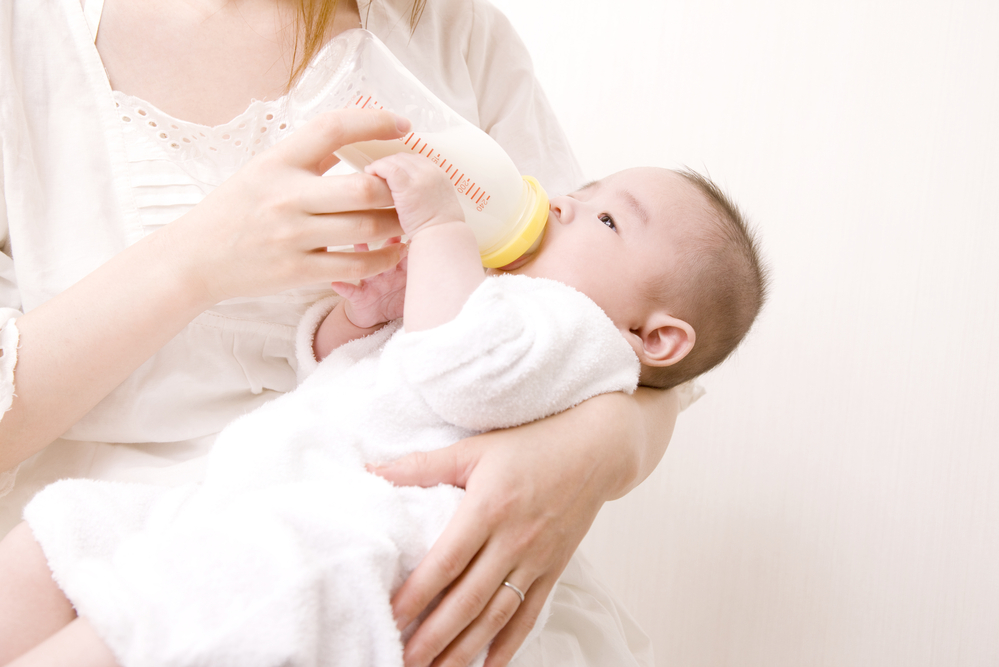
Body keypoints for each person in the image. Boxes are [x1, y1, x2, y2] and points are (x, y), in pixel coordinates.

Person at [0, 1, 686, 665]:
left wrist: (592, 453)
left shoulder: (452, 33)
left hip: (387, 553)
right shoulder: (24, 39)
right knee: (53, 546)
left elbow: (628, 341)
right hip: (146, 518)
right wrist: (196, 262)